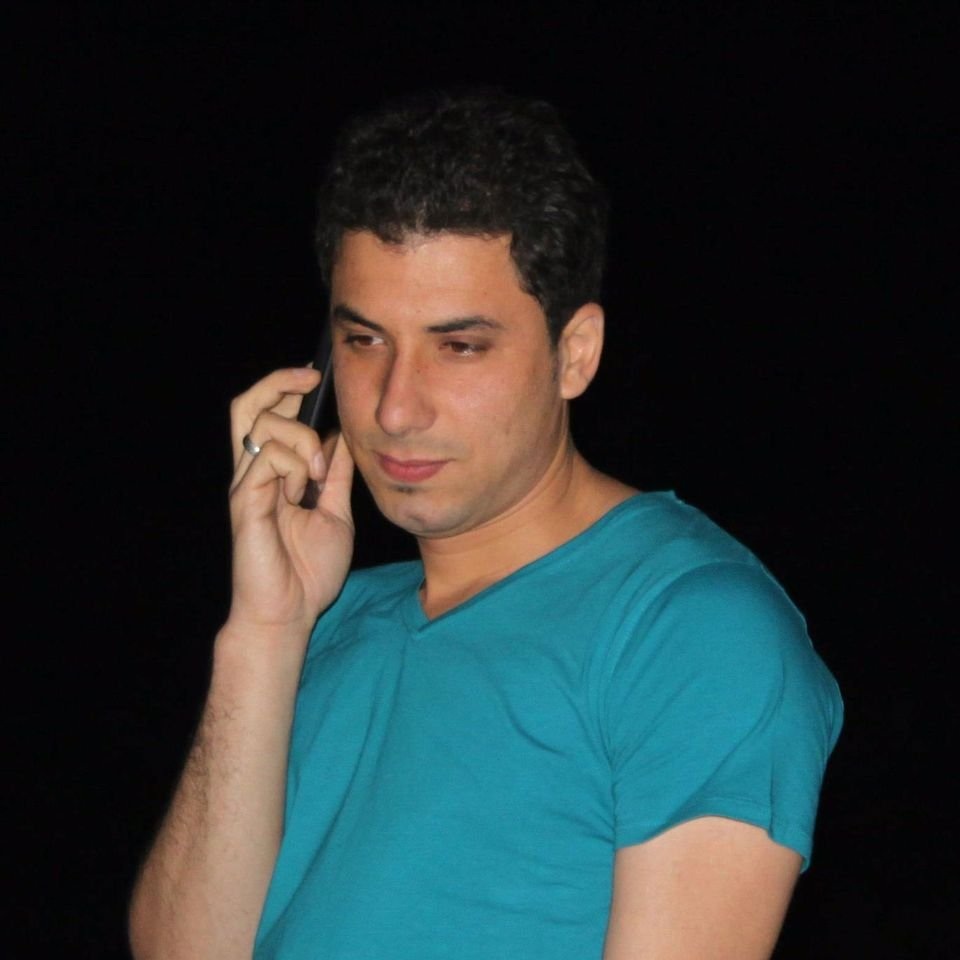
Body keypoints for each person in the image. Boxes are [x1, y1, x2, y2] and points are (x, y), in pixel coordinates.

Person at [129, 91, 842, 960]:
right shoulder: (326, 624)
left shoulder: (685, 628)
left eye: (459, 346)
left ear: (574, 353)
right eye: (364, 342)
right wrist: (264, 632)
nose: (395, 408)